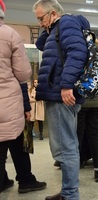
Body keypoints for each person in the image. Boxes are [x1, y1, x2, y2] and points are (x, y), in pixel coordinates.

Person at [32, 0, 90, 199]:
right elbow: (42, 45)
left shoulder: (66, 23)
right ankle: (68, 191)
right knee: (68, 145)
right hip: (58, 93)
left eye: (41, 18)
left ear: (53, 13)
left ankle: (71, 195)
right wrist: (48, 27)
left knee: (65, 148)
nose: (40, 23)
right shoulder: (57, 28)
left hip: (60, 94)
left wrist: (66, 85)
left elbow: (77, 53)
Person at [0, 0, 32, 193]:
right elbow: (22, 75)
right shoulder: (10, 34)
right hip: (7, 101)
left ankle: (7, 179)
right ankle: (26, 180)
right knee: (15, 140)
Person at [77, 39, 98, 182]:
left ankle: (74, 171)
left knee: (76, 136)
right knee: (95, 135)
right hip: (97, 103)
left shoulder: (80, 58)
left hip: (81, 102)